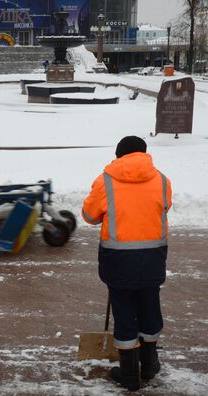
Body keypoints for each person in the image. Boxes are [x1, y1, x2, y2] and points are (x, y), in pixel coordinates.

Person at [82, 136, 172, 391]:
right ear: (144, 154)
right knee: (150, 308)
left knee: (124, 314)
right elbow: (164, 207)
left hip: (118, 261)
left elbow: (89, 216)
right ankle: (150, 365)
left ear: (119, 155)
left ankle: (130, 374)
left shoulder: (105, 180)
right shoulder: (163, 180)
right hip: (153, 259)